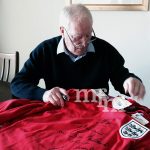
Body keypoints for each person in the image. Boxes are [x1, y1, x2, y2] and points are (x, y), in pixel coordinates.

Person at [11, 4, 145, 107]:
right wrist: (44, 94)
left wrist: (130, 81)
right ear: (62, 31)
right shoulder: (46, 50)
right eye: (77, 37)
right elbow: (18, 84)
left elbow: (121, 76)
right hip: (60, 113)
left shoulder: (105, 50)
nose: (85, 42)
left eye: (88, 35)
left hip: (97, 113)